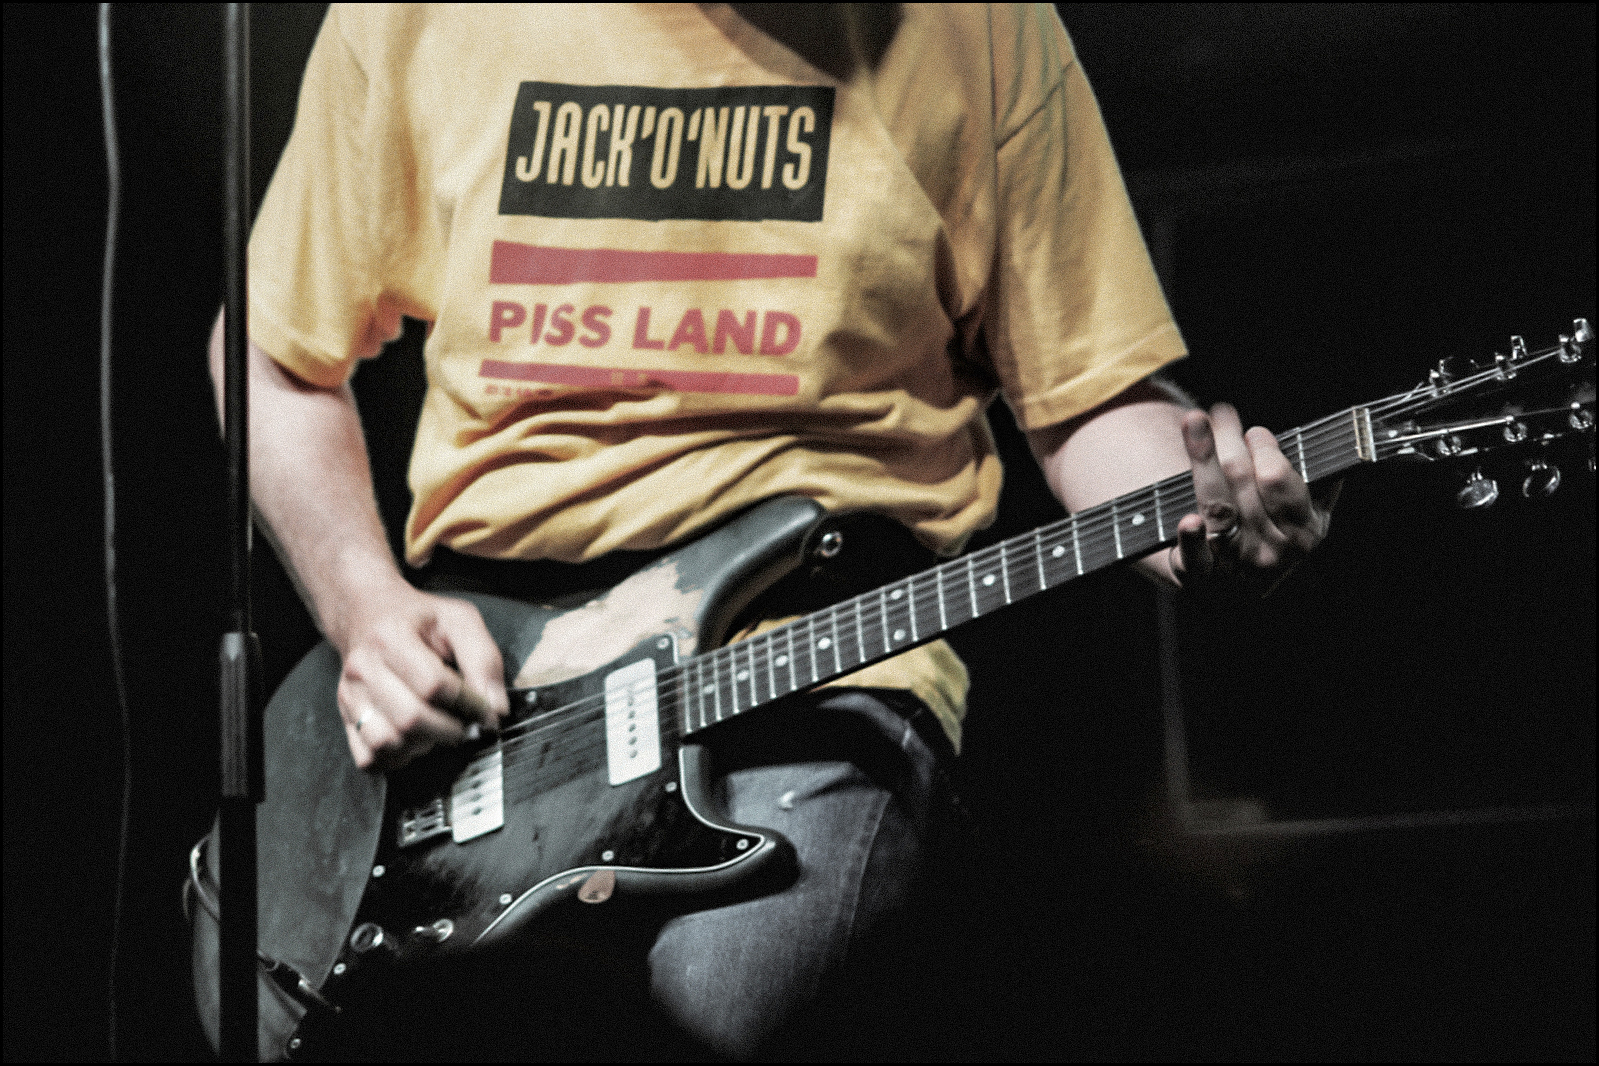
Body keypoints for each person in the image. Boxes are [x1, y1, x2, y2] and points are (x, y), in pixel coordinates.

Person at [211, 3, 1333, 1058]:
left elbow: (1087, 395)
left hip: (822, 668)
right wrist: (365, 608)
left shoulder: (980, 26)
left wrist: (1199, 503)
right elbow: (270, 355)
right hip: (493, 708)